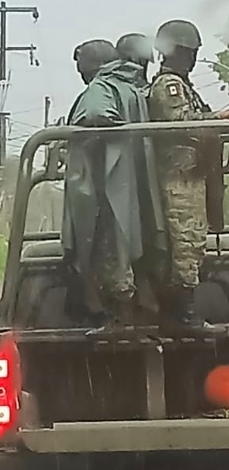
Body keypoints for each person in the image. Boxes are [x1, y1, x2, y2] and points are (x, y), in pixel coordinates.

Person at [62, 39, 167, 332]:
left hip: (107, 186)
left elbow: (96, 114)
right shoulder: (132, 85)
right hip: (131, 182)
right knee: (130, 243)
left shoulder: (100, 88)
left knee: (110, 250)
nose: (79, 70)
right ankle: (141, 308)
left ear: (92, 63)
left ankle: (119, 318)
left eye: (79, 62)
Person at [147, 19, 229, 331]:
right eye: (188, 52)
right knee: (184, 243)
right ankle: (181, 314)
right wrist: (217, 117)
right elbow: (181, 122)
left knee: (194, 242)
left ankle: (183, 310)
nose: (192, 58)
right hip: (178, 178)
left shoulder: (184, 86)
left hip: (191, 175)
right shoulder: (169, 86)